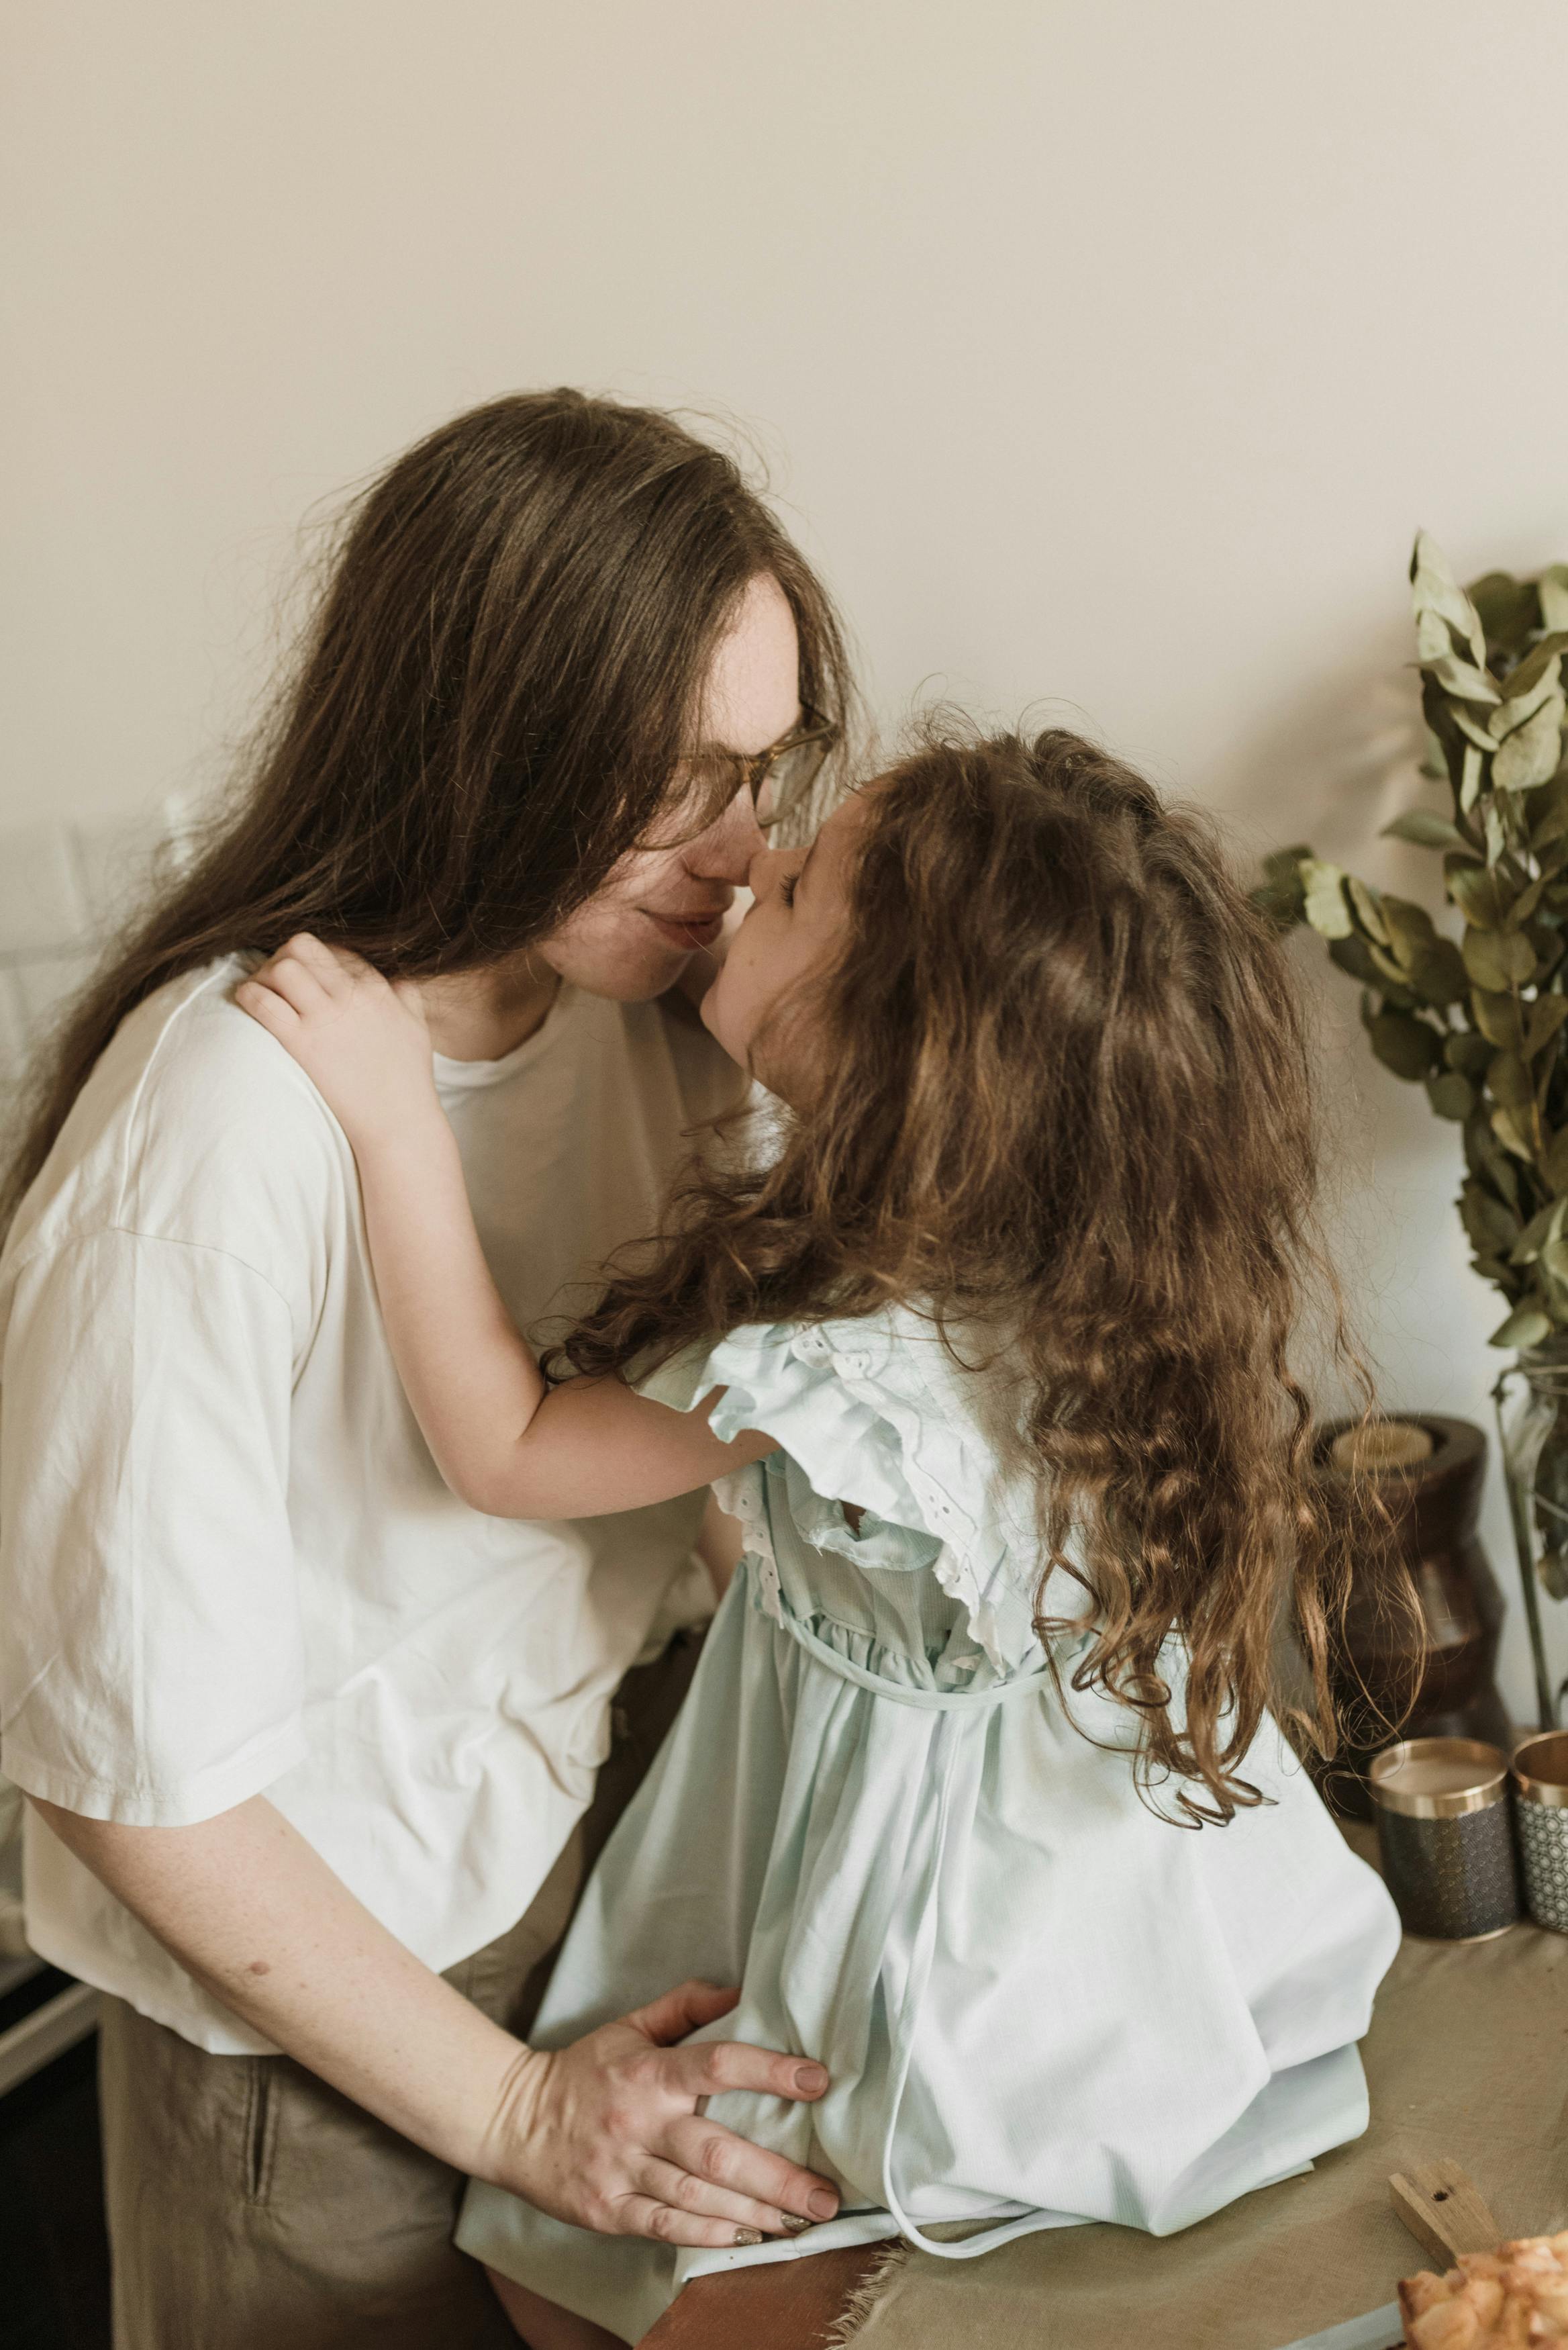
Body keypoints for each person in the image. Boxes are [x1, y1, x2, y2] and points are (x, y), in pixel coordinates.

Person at [236, 723, 1405, 2350]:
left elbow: (502, 1447)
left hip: (954, 1904)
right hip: (1087, 1860)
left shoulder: (856, 1361)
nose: (741, 869)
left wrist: (390, 1123)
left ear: (892, 1052)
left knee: (609, 2246)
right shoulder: (1067, 1281)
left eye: (786, 892)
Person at [0, 389, 859, 2350]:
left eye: (765, 772)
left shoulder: (641, 1012)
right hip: (314, 2053)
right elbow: (138, 1782)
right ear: (489, 739)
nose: (738, 850)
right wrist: (519, 2111)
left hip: (564, 1915)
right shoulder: (225, 1125)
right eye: (678, 780)